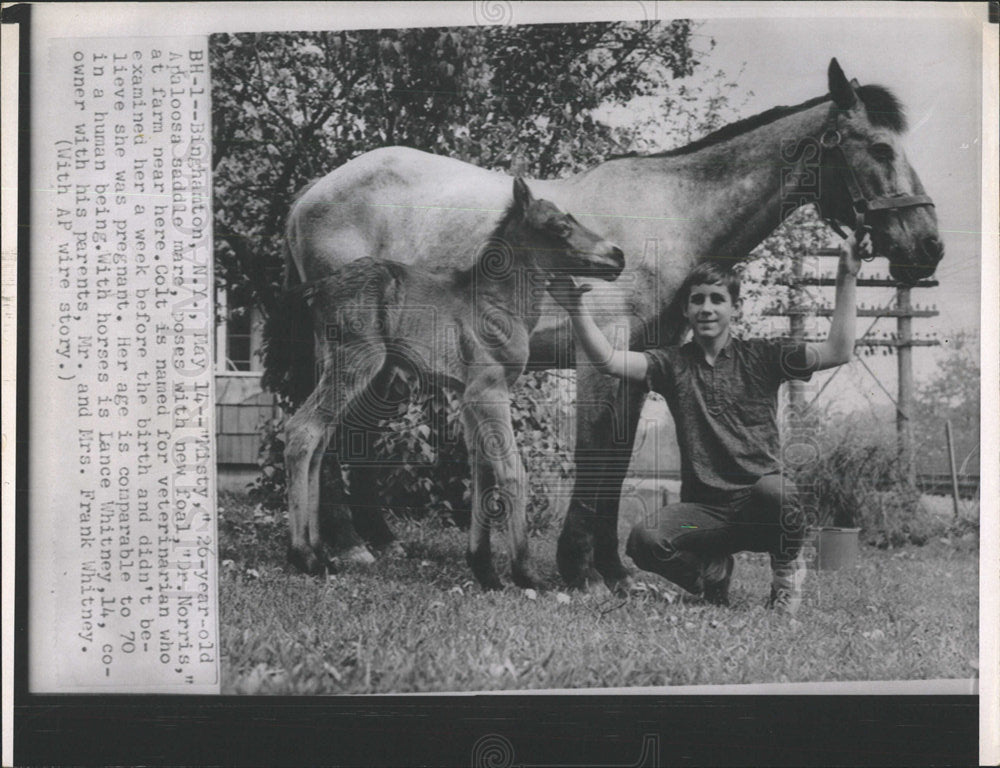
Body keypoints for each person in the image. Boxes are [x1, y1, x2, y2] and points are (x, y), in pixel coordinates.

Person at [547, 232, 870, 614]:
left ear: (736, 308)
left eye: (718, 299)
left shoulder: (764, 357)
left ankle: (786, 577)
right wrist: (576, 309)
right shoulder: (672, 364)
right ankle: (714, 575)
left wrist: (846, 275)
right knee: (646, 539)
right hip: (703, 518)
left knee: (777, 491)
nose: (706, 307)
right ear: (685, 310)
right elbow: (610, 361)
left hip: (759, 512)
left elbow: (838, 350)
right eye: (697, 299)